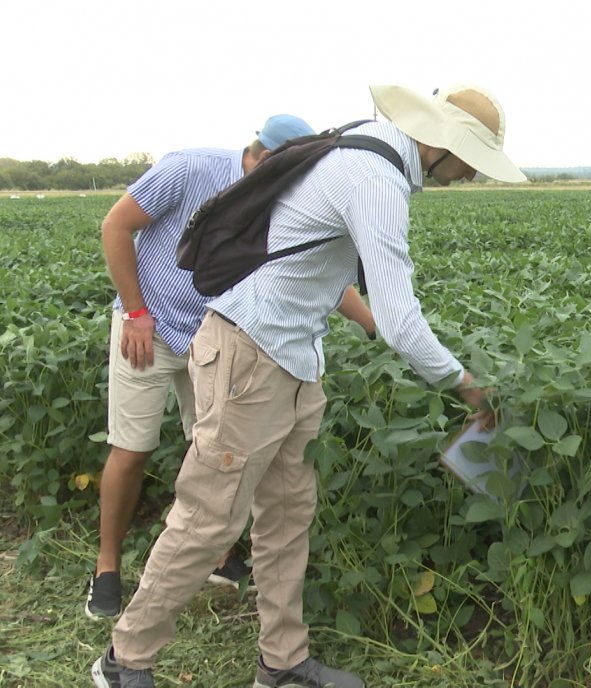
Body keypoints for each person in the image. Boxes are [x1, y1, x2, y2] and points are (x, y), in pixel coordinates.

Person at [91, 84, 524, 688]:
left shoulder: (365, 152)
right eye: (471, 161)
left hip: (294, 360)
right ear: (439, 144)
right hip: (249, 357)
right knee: (209, 518)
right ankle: (123, 661)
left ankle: (283, 663)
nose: (472, 176)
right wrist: (466, 386)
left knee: (287, 517)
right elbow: (400, 317)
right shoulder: (374, 176)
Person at [85, 114, 367, 621]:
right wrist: (135, 313)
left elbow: (314, 273)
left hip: (217, 341)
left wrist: (374, 323)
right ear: (264, 157)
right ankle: (107, 568)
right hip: (145, 327)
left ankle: (217, 557)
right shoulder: (190, 169)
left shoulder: (281, 200)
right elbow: (116, 225)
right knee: (131, 449)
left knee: (215, 454)